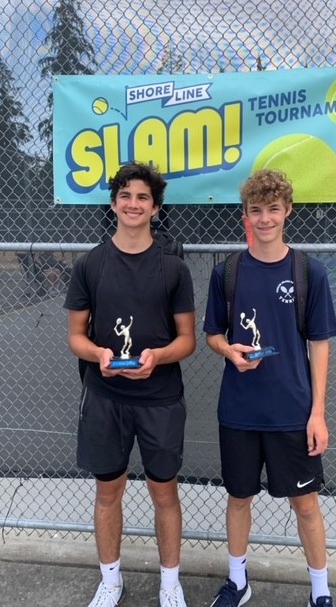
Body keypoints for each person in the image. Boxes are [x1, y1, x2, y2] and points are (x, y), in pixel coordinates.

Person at [203, 169, 336, 607]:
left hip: (292, 413)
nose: (264, 219)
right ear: (244, 215)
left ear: (287, 212)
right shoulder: (226, 273)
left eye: (273, 210)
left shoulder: (308, 272)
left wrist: (317, 413)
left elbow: (319, 345)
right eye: (255, 210)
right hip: (239, 412)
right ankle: (238, 583)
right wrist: (229, 350)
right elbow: (212, 334)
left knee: (305, 504)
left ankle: (320, 591)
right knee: (239, 498)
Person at [64, 161, 196, 607]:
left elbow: (187, 340)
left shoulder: (174, 268)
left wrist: (157, 357)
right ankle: (110, 580)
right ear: (114, 203)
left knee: (165, 493)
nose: (133, 204)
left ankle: (170, 583)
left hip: (160, 400)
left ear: (156, 208)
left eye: (143, 197)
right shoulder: (90, 264)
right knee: (108, 492)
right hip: (105, 399)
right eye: (125, 195)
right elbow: (76, 337)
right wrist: (99, 354)